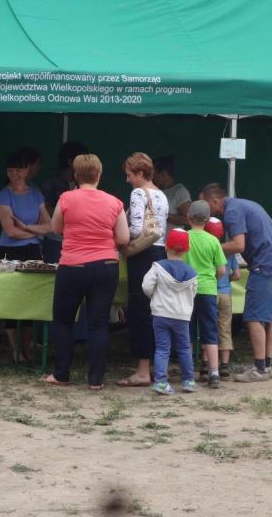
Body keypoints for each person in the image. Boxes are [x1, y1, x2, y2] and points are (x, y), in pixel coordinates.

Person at [40, 154, 130, 389]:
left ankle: (62, 374)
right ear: (99, 174)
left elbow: (55, 227)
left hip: (73, 265)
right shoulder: (115, 202)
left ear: (76, 175)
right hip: (106, 266)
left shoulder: (67, 198)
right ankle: (96, 380)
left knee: (63, 321)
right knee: (99, 324)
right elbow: (123, 237)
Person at [199, 183, 272, 383]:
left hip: (265, 264)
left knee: (254, 317)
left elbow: (238, 244)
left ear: (215, 201)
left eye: (205, 204)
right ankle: (265, 365)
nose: (204, 210)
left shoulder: (232, 211)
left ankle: (259, 369)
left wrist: (210, 248)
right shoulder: (243, 204)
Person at [117, 152, 170, 387]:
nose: (127, 180)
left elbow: (137, 229)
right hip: (159, 253)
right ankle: (159, 367)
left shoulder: (138, 193)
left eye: (129, 175)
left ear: (140, 173)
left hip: (142, 256)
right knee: (156, 312)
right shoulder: (162, 194)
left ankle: (142, 371)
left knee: (139, 312)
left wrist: (120, 236)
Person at [0, 148, 52, 361]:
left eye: (18, 170)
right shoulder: (3, 195)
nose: (14, 174)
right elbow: (9, 230)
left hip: (32, 250)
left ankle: (28, 349)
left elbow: (51, 225)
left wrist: (26, 227)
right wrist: (34, 229)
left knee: (30, 297)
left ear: (27, 170)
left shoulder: (36, 192)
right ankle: (15, 349)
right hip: (9, 250)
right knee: (10, 297)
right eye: (10, 171)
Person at [141, 228, 198, 395]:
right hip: (182, 316)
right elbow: (193, 293)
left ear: (166, 246)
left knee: (162, 348)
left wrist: (154, 296)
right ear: (187, 249)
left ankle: (160, 382)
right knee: (184, 348)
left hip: (160, 314)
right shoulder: (192, 272)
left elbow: (146, 286)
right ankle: (188, 380)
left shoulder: (158, 267)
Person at [184, 200, 227, 388]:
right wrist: (212, 278)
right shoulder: (213, 240)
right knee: (210, 331)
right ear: (208, 219)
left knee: (188, 332)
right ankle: (215, 373)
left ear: (188, 217)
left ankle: (189, 372)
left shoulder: (184, 238)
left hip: (186, 290)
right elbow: (222, 270)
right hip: (208, 290)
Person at [40, 141, 89, 263]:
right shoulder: (50, 185)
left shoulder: (83, 184)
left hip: (78, 242)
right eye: (82, 160)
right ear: (71, 162)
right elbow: (46, 210)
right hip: (55, 241)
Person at [204, 216, 241, 380]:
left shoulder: (205, 249)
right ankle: (224, 365)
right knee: (225, 328)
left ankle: (205, 364)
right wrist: (228, 280)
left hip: (209, 292)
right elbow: (238, 275)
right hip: (225, 293)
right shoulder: (229, 252)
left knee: (208, 327)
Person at [153, 155, 192, 227]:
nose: (151, 178)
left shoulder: (179, 191)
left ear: (163, 174)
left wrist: (163, 215)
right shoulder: (154, 190)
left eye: (154, 175)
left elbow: (189, 220)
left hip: (171, 238)